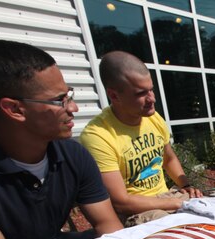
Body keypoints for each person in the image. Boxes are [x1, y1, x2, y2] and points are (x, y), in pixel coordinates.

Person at [0, 39, 123, 239]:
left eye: (69, 95)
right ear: (14, 109)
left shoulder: (72, 154)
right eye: (59, 100)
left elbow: (109, 229)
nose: (73, 108)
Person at [80, 51, 202, 226]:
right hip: (136, 211)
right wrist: (176, 203)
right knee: (188, 231)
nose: (152, 98)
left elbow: (168, 158)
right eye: (140, 93)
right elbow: (121, 202)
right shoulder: (98, 135)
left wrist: (185, 186)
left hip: (167, 198)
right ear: (114, 95)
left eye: (151, 89)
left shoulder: (152, 118)